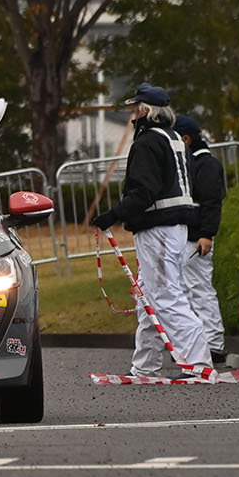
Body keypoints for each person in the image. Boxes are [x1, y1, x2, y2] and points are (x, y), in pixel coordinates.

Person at [91, 84, 210, 378]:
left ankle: (198, 363)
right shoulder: (173, 139)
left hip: (158, 229)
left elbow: (143, 192)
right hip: (174, 228)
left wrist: (112, 215)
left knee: (167, 296)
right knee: (148, 297)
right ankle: (146, 365)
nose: (133, 114)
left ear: (145, 110)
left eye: (136, 108)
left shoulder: (147, 143)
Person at [173, 114, 227, 363]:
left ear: (186, 139)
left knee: (200, 289)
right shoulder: (196, 162)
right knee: (188, 290)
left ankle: (213, 342)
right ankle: (197, 343)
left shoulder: (205, 165)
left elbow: (211, 203)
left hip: (197, 238)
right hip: (189, 236)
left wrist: (207, 234)